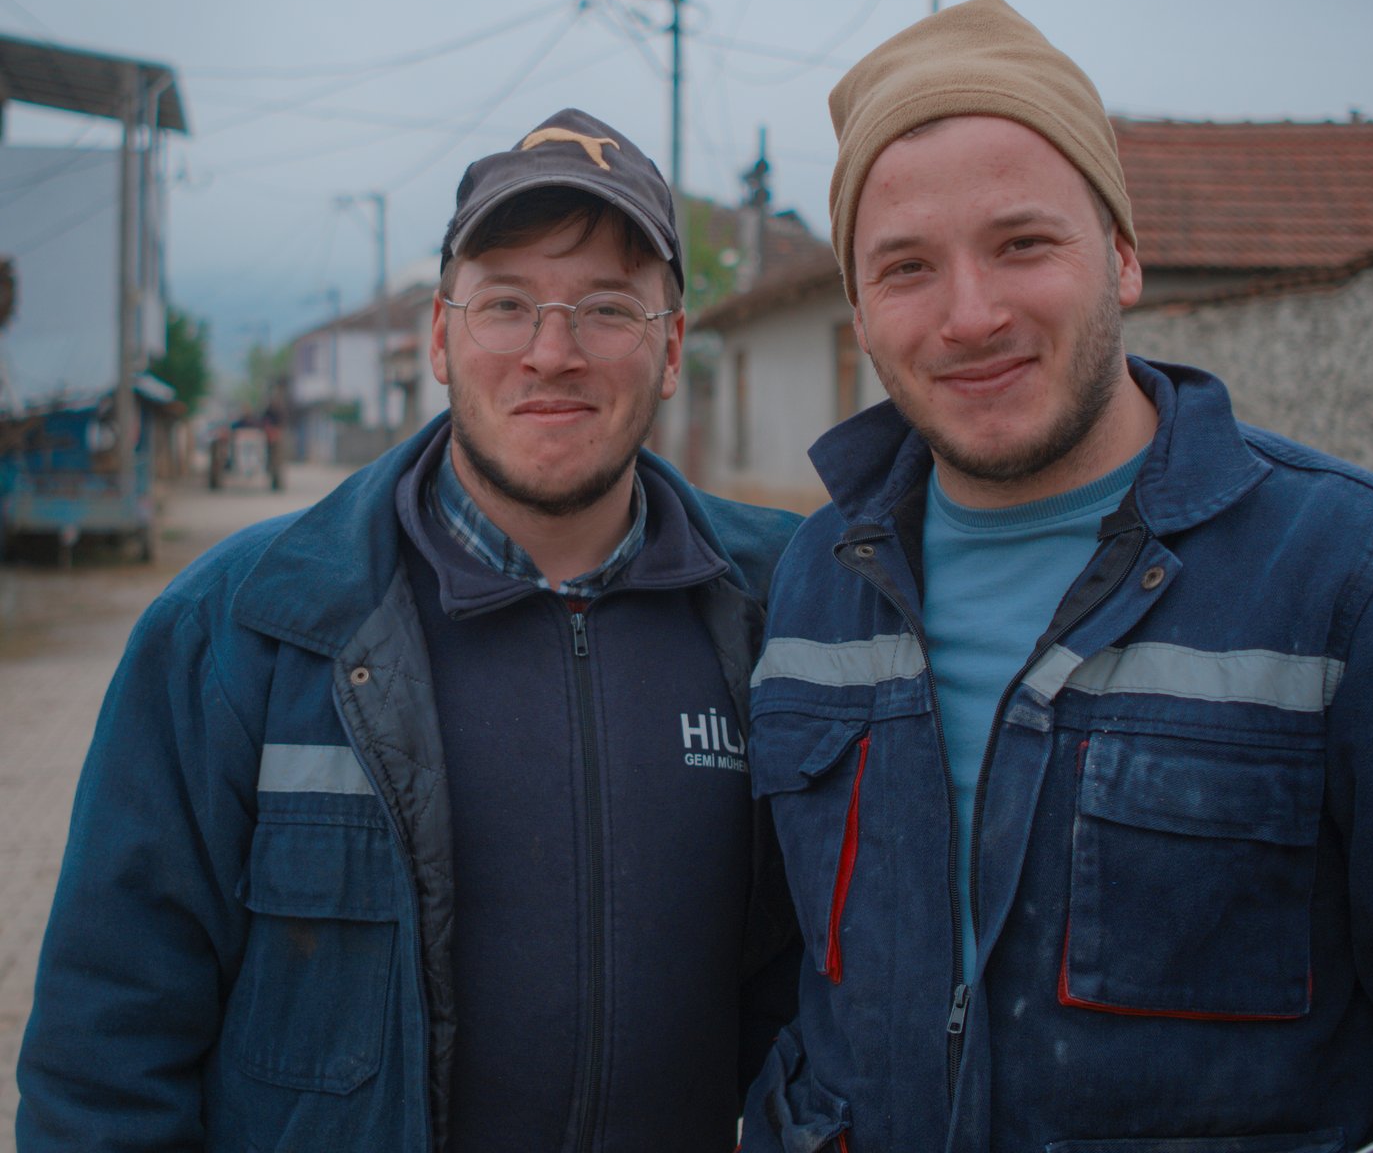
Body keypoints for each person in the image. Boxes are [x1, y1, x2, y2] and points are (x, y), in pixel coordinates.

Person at [740, 0, 1373, 1152]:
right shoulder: (812, 581)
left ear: (1125, 257)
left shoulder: (1363, 580)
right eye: (905, 267)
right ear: (858, 312)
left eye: (1022, 243)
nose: (969, 313)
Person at [18, 108, 800, 1153]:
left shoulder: (785, 611)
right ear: (439, 335)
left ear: (670, 349)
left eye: (608, 308)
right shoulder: (237, 631)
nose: (552, 351)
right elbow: (105, 1058)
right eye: (506, 303)